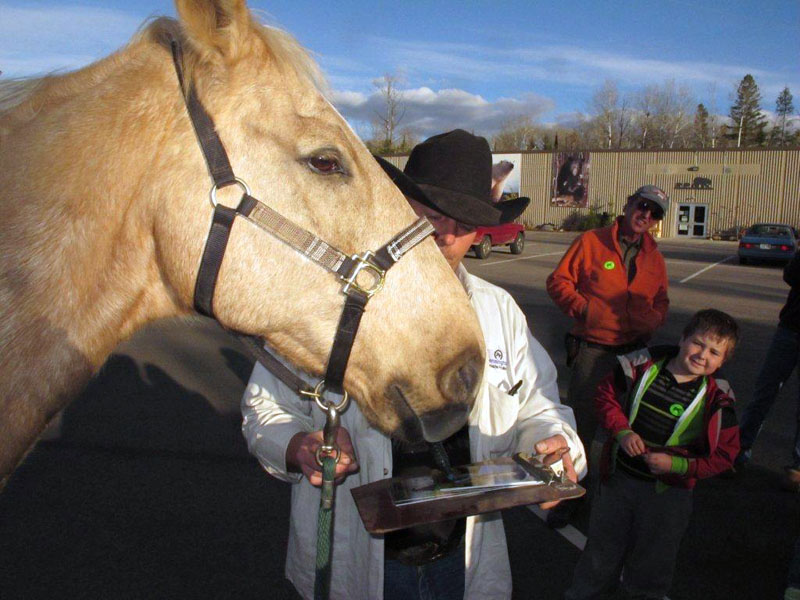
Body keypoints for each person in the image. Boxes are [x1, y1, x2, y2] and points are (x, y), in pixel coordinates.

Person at [240, 129, 586, 600]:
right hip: (360, 560)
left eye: (463, 222)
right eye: (429, 214)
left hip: (459, 563)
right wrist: (298, 444)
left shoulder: (499, 311)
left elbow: (538, 407)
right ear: (399, 207)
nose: (445, 233)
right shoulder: (326, 306)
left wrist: (553, 446)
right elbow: (263, 408)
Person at [565, 309, 740, 600]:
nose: (702, 355)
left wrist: (680, 464)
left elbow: (725, 455)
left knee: (652, 563)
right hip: (619, 481)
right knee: (600, 552)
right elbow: (604, 396)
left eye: (714, 352)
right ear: (683, 338)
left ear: (723, 361)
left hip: (668, 496)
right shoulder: (640, 367)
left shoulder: (718, 399)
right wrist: (622, 431)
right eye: (698, 343)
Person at [544, 185, 670, 527]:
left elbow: (661, 300)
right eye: (643, 206)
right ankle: (570, 496)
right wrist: (585, 310)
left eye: (655, 212)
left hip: (634, 356)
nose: (646, 215)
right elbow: (558, 282)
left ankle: (611, 500)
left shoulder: (653, 257)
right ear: (628, 204)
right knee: (581, 428)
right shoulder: (591, 241)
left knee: (624, 431)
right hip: (594, 352)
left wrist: (654, 321)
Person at [736, 251, 800, 491]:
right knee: (764, 391)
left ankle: (798, 466)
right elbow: (791, 275)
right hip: (790, 330)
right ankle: (740, 447)